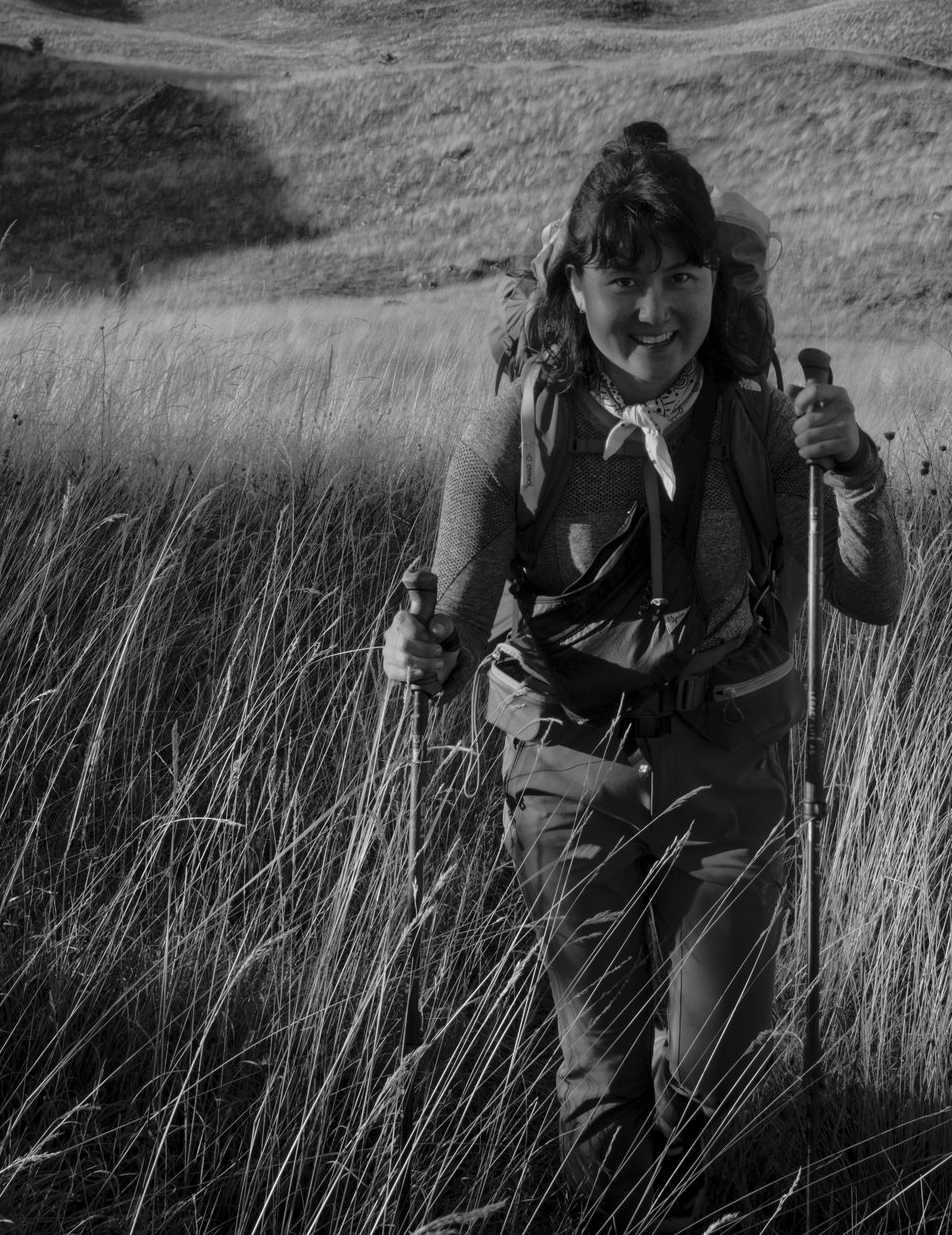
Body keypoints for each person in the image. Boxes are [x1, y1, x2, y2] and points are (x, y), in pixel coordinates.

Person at [383, 123, 904, 1231]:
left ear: (716, 283)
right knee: (603, 1076)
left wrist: (854, 466)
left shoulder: (762, 425)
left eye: (681, 279)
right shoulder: (513, 434)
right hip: (568, 773)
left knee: (714, 1074)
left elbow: (872, 595)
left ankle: (671, 1182)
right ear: (575, 288)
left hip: (727, 769)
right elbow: (456, 628)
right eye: (624, 281)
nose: (656, 312)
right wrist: (419, 649)